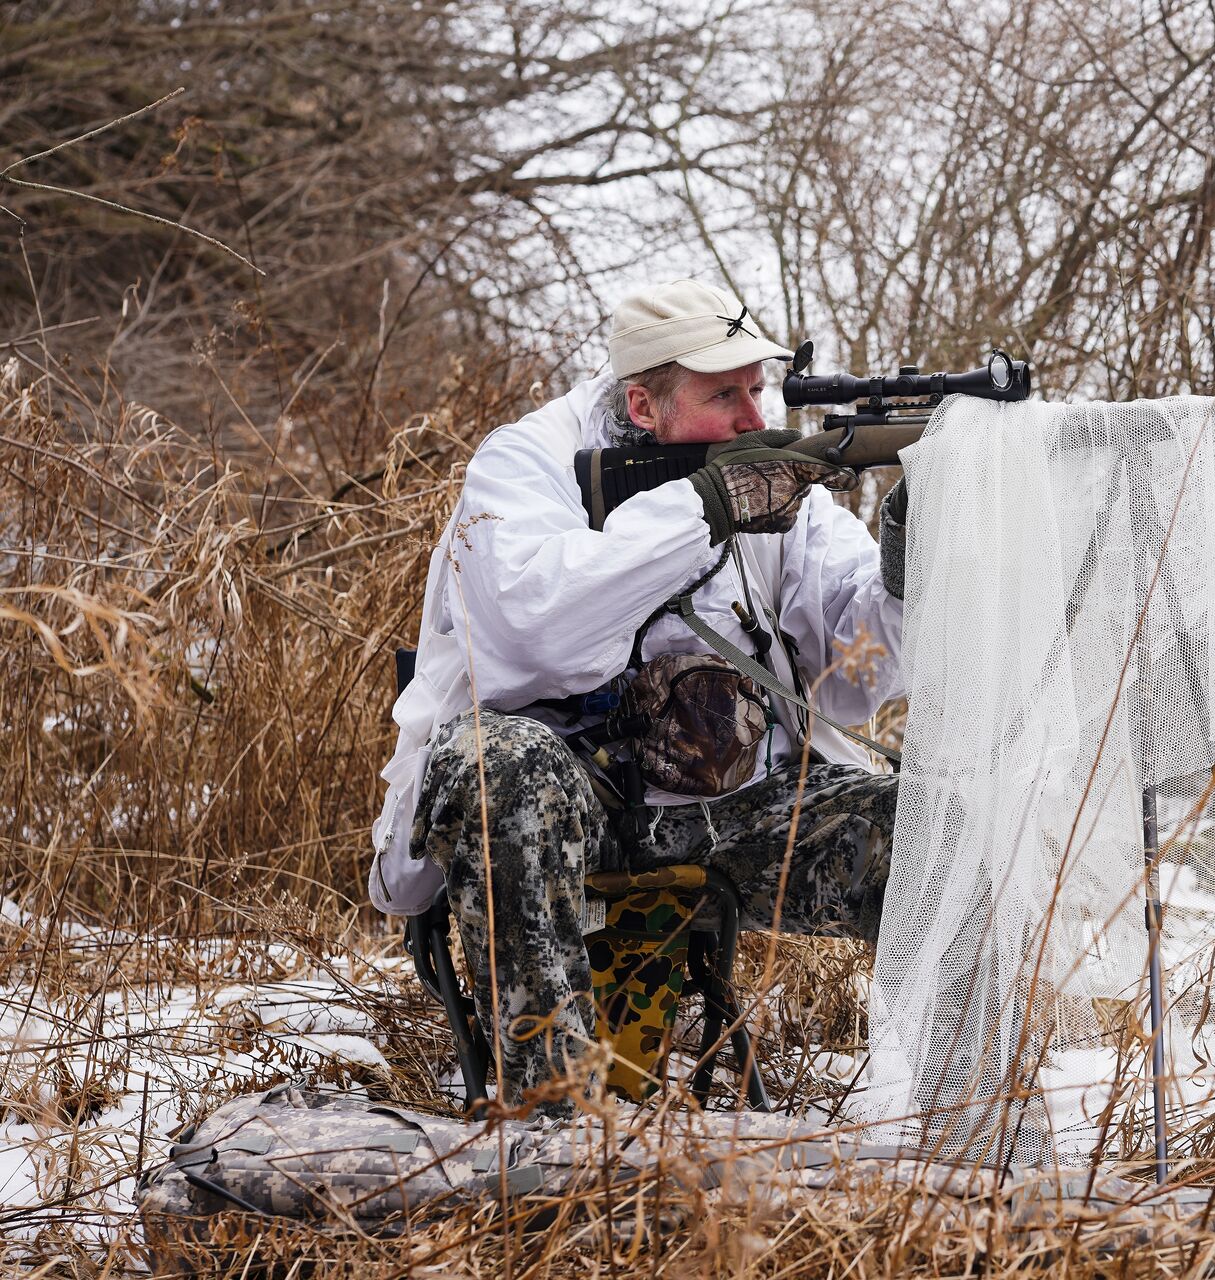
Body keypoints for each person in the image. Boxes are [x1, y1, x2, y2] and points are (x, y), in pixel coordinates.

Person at [368, 279, 908, 1114]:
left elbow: (853, 676)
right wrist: (706, 509)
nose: (751, 418)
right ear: (641, 405)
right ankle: (554, 1124)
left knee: (937, 833)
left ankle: (976, 1124)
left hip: (742, 809)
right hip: (569, 814)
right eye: (722, 394)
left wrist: (912, 563)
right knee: (500, 765)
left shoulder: (775, 486)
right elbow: (538, 631)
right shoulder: (526, 462)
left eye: (758, 388)